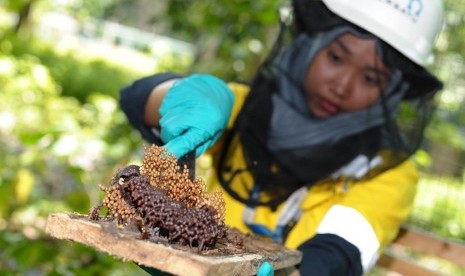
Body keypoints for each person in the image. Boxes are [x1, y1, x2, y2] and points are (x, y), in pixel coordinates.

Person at [120, 0, 444, 275]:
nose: (342, 85)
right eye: (336, 57)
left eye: (371, 77)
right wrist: (178, 94)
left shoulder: (389, 171)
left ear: (392, 92)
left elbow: (341, 248)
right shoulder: (244, 109)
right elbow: (139, 98)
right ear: (309, 46)